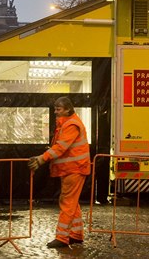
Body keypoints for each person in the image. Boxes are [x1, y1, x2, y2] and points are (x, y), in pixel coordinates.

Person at [28, 96, 90, 248]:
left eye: (58, 109)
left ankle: (62, 238)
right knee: (72, 203)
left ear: (68, 109)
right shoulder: (68, 123)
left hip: (74, 168)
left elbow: (61, 147)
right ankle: (76, 234)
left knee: (67, 203)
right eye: (55, 109)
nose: (55, 112)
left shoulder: (71, 125)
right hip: (73, 168)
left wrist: (42, 159)